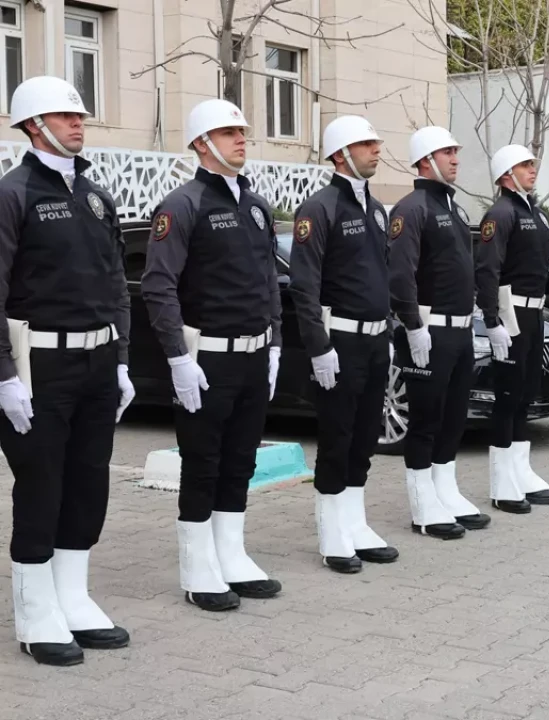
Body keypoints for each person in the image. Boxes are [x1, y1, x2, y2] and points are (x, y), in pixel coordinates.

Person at [0, 76, 132, 666]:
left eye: (80, 116)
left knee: (88, 480)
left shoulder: (96, 195)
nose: (79, 124)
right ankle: (34, 612)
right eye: (64, 116)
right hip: (39, 362)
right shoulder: (14, 194)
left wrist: (123, 359)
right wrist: (4, 376)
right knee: (42, 483)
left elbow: (115, 286)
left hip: (98, 359)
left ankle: (73, 596)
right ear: (34, 126)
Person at [141, 99, 283, 612]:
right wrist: (178, 358)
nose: (241, 139)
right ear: (202, 144)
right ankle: (198, 567)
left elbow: (269, 280)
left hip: (251, 354)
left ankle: (231, 554)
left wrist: (276, 343)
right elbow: (159, 287)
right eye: (228, 133)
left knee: (241, 461)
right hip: (207, 359)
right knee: (202, 463)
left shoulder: (256, 204)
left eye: (242, 131)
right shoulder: (183, 205)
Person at [289, 116, 400, 572]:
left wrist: (390, 332)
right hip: (341, 343)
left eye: (375, 141)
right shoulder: (319, 208)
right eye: (365, 144)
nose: (376, 150)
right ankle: (332, 533)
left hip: (375, 341)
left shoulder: (375, 208)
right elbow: (304, 285)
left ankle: (355, 523)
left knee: (364, 439)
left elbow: (383, 276)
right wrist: (318, 347)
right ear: (340, 154)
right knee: (337, 438)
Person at [388, 127, 486, 538]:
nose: (455, 159)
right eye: (448, 152)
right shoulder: (412, 209)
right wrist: (413, 326)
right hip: (430, 330)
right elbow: (401, 273)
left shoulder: (454, 207)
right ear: (426, 160)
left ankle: (446, 490)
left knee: (453, 418)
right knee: (426, 420)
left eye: (455, 151)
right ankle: (422, 504)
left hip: (461, 330)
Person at [476, 144, 549, 513]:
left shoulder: (534, 213)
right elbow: (488, 270)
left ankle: (520, 471)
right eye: (525, 165)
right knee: (507, 397)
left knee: (525, 394)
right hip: (512, 314)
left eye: (532, 164)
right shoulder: (501, 213)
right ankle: (501, 483)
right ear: (507, 173)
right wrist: (492, 320)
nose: (532, 170)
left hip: (534, 313)